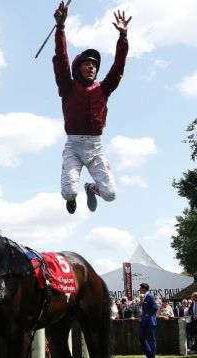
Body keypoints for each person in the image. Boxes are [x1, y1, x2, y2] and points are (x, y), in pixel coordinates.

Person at [52, 1, 131, 213]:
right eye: (87, 64)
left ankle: (90, 187)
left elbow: (118, 67)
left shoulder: (103, 88)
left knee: (110, 195)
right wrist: (60, 28)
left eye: (95, 65)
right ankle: (72, 195)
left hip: (96, 148)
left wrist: (122, 37)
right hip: (74, 146)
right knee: (68, 192)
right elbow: (61, 59)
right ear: (78, 69)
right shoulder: (67, 87)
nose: (92, 67)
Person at [138, 283, 159, 358]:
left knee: (151, 339)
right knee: (141, 338)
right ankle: (149, 355)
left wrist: (147, 315)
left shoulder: (149, 296)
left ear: (144, 288)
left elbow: (155, 307)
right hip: (144, 322)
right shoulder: (146, 297)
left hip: (149, 322)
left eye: (140, 288)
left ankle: (151, 356)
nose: (140, 290)